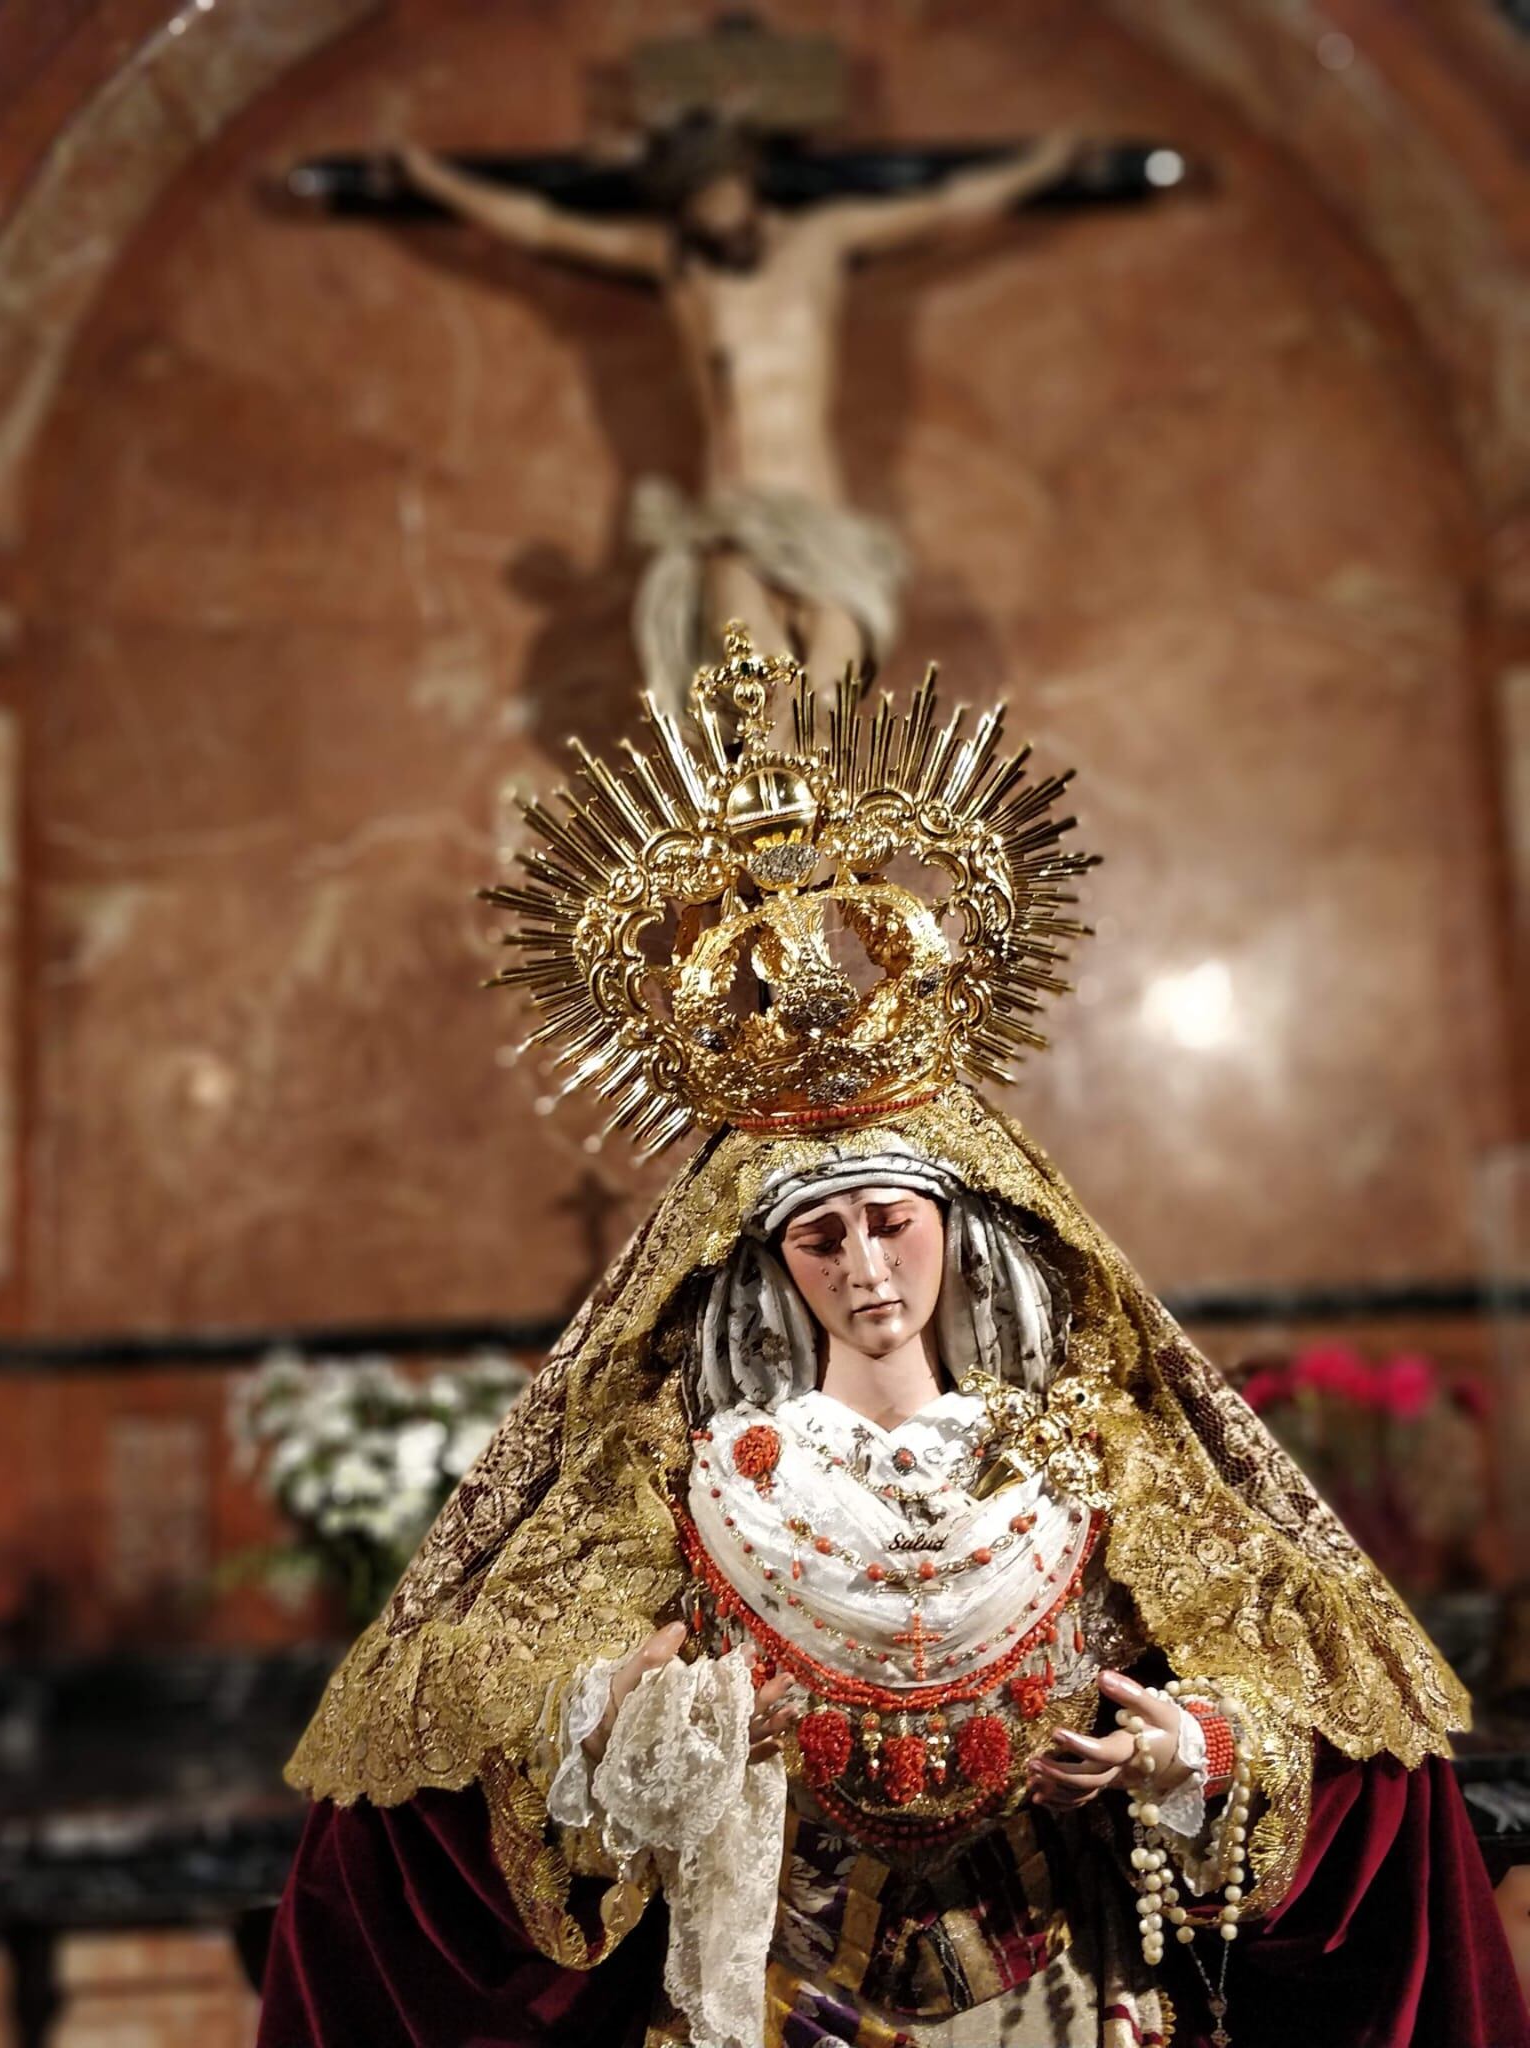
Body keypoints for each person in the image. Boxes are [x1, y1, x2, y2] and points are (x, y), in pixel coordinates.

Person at [259, 631, 1528, 2047]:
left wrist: (1196, 1749)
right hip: (777, 1995)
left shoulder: (1093, 1444)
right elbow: (461, 1698)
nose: (867, 1266)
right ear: (768, 1262)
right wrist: (601, 1716)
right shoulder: (683, 1474)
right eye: (822, 1236)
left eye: (893, 1221)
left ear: (965, 1228)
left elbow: (1304, 1703)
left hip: (1060, 1995)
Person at [398, 119, 1079, 712]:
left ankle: (807, 852)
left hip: (822, 520)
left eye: (720, 194)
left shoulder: (821, 241)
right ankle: (761, 847)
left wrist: (1042, 166)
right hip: (733, 518)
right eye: (694, 206)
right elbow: (544, 224)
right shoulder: (679, 266)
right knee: (764, 705)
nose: (712, 217)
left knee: (822, 707)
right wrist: (431, 179)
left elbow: (941, 206)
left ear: (748, 183)